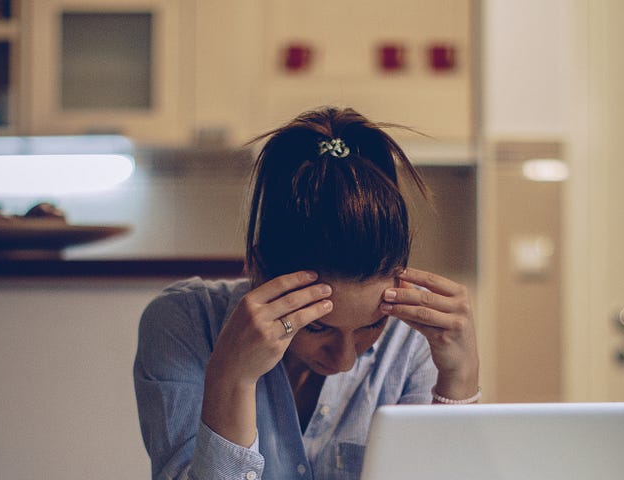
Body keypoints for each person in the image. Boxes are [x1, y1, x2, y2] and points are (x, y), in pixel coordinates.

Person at [133, 106, 480, 480]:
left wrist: (459, 380)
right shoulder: (184, 324)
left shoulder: (412, 339)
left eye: (371, 326)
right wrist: (231, 377)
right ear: (258, 268)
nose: (344, 360)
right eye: (317, 328)